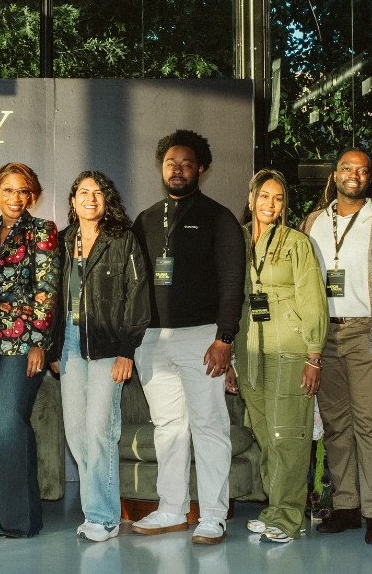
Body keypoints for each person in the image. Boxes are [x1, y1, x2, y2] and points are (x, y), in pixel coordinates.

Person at [129, 130, 245, 546]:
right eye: (170, 163)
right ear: (161, 168)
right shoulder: (145, 219)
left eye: (186, 164)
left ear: (201, 169)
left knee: (209, 426)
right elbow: (136, 283)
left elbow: (234, 282)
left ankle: (213, 515)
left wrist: (224, 338)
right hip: (153, 341)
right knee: (168, 427)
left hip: (203, 339)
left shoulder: (218, 217)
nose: (177, 170)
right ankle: (172, 508)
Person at [299, 148, 372, 546]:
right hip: (321, 337)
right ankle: (346, 507)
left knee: (371, 425)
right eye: (347, 169)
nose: (355, 175)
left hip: (368, 334)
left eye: (363, 170)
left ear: (370, 178)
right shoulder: (313, 222)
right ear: (334, 175)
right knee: (335, 426)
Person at [48, 171, 150, 542]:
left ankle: (103, 517)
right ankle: (98, 512)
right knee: (76, 432)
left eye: (98, 192)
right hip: (70, 344)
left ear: (107, 200)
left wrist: (128, 350)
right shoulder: (62, 241)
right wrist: (52, 349)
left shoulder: (122, 239)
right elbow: (52, 300)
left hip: (109, 345)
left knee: (99, 430)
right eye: (84, 192)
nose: (91, 198)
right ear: (73, 201)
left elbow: (139, 297)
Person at [228, 169, 328, 544]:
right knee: (265, 434)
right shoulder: (235, 240)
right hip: (249, 349)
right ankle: (275, 508)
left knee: (289, 434)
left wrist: (314, 355)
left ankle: (289, 517)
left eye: (279, 198)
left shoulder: (297, 243)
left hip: (290, 349)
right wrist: (233, 359)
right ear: (251, 199)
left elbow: (314, 301)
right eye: (264, 196)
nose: (271, 204)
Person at [0, 162, 60, 538]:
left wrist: (39, 342)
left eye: (23, 190)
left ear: (33, 196)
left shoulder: (42, 231)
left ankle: (20, 520)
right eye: (7, 190)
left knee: (11, 421)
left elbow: (47, 289)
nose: (15, 197)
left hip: (24, 340)